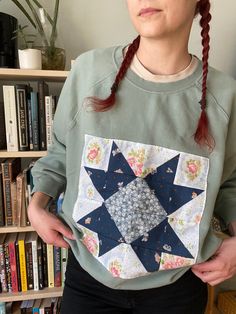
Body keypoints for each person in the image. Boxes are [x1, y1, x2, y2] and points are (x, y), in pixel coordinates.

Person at [28, 0, 236, 313]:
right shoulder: (88, 71)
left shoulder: (225, 97)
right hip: (88, 284)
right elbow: (61, 151)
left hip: (177, 290)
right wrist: (37, 204)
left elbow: (230, 182)